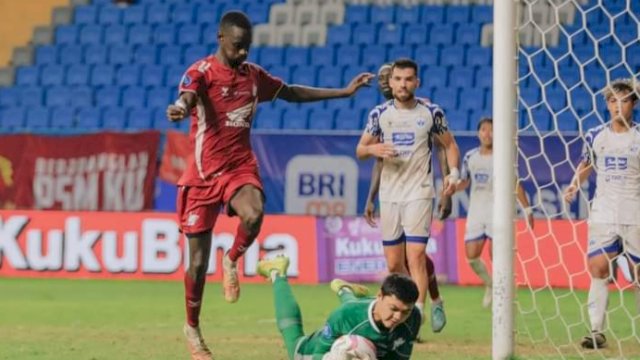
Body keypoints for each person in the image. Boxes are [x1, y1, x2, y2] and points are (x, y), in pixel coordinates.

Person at [165, 11, 374, 360]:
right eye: (236, 47)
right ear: (220, 39)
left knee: (254, 214)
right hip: (202, 176)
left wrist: (344, 92)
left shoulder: (253, 77)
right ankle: (193, 328)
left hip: (239, 168)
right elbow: (186, 98)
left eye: (247, 47)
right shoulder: (200, 73)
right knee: (197, 265)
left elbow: (290, 92)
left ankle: (232, 260)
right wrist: (178, 108)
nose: (243, 53)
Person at [355, 58, 460, 332]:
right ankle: (431, 299)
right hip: (390, 195)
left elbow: (448, 145)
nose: (403, 84)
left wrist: (453, 174)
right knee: (394, 263)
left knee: (416, 255)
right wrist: (372, 150)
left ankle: (417, 317)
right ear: (391, 82)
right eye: (398, 79)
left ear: (417, 82)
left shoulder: (430, 112)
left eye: (408, 79)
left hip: (419, 191)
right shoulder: (379, 115)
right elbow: (361, 150)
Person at [563, 78, 640, 349]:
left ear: (634, 104)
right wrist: (574, 184)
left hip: (635, 214)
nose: (618, 105)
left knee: (638, 275)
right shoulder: (596, 135)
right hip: (603, 212)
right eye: (612, 100)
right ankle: (596, 331)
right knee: (597, 268)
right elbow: (586, 164)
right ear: (607, 105)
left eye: (624, 100)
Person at [257, 256, 422, 360]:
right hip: (325, 349)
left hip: (357, 319)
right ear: (379, 295)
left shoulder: (413, 318)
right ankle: (277, 273)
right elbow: (318, 355)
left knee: (353, 311)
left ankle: (345, 290)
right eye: (393, 309)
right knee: (295, 350)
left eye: (405, 311)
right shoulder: (345, 316)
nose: (398, 317)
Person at [454, 117, 534, 308]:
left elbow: (515, 183)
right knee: (471, 257)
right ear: (478, 133)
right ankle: (490, 284)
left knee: (497, 257)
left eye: (491, 130)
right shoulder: (470, 156)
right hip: (476, 212)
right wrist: (453, 188)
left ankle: (503, 297)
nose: (487, 133)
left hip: (499, 213)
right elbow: (465, 181)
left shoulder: (503, 157)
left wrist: (527, 209)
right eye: (483, 129)